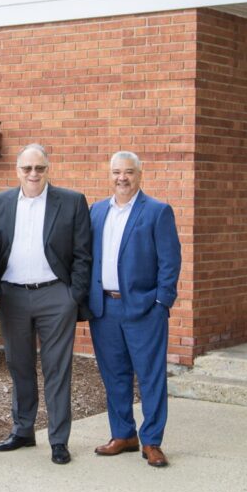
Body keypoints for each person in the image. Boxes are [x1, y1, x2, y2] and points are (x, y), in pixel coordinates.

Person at [0, 144, 91, 465]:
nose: (33, 174)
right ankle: (23, 430)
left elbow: (83, 254)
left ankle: (59, 440)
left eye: (40, 168)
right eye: (27, 168)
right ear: (17, 170)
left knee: (57, 369)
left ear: (48, 169)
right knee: (19, 366)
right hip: (13, 296)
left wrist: (73, 295)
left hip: (55, 297)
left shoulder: (72, 202)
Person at [88, 151, 181, 467]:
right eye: (116, 172)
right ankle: (123, 434)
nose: (122, 178)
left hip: (144, 309)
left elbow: (170, 261)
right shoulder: (96, 212)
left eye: (128, 172)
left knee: (151, 376)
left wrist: (161, 302)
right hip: (105, 309)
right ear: (110, 174)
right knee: (114, 375)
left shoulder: (157, 211)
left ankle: (152, 441)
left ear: (140, 174)